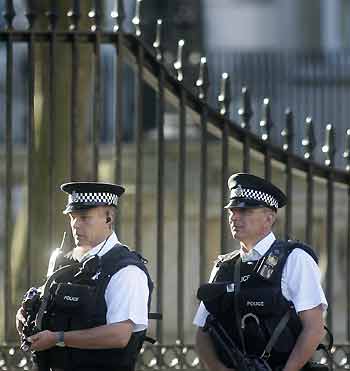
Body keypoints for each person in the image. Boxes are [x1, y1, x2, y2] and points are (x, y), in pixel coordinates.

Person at [193, 173, 328, 371]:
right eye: (232, 211)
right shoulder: (224, 267)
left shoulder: (295, 259)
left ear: (269, 218)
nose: (234, 217)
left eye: (244, 211)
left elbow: (314, 328)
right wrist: (219, 368)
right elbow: (202, 332)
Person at [16, 181, 153, 371]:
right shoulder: (65, 262)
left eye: (84, 218)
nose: (75, 225)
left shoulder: (126, 270)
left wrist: (59, 338)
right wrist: (26, 317)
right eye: (72, 218)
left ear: (109, 219)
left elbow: (119, 335)